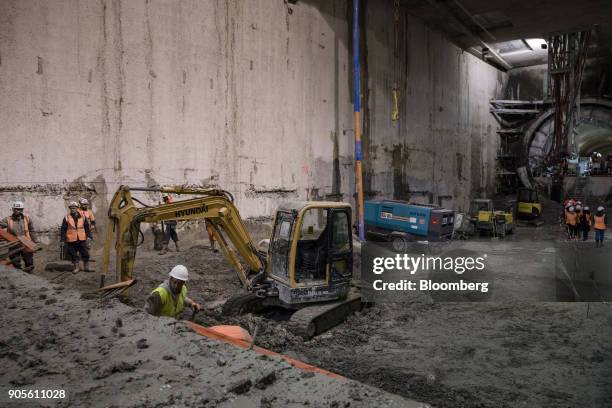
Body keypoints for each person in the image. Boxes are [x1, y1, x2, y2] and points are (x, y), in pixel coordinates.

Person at [0, 201, 38, 272]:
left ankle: (30, 276)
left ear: (22, 210)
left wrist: (35, 241)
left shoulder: (27, 218)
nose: (18, 211)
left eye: (20, 209)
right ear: (13, 209)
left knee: (29, 261)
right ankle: (19, 276)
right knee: (15, 263)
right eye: (16, 209)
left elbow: (32, 230)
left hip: (26, 243)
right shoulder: (7, 219)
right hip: (13, 243)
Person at [61, 201, 93, 272]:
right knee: (73, 255)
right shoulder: (67, 217)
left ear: (77, 208)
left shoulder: (82, 216)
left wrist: (89, 236)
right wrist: (62, 240)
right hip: (71, 239)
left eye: (74, 208)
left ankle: (87, 267)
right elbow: (63, 229)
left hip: (81, 238)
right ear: (69, 209)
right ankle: (77, 268)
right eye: (71, 208)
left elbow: (86, 227)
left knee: (85, 253)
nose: (73, 209)